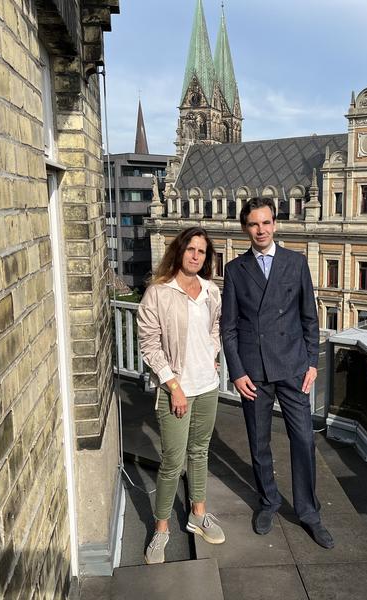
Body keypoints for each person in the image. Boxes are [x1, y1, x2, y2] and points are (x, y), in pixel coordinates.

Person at [221, 198, 334, 549]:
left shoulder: (296, 263)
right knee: (259, 443)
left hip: (293, 368)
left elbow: (308, 318)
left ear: (275, 224)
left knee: (302, 439)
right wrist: (237, 372)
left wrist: (312, 363)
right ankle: (269, 501)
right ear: (245, 228)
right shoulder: (236, 270)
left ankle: (309, 512)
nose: (261, 230)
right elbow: (228, 328)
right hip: (254, 372)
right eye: (254, 224)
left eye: (266, 222)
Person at [137, 227, 226, 564]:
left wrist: (212, 353)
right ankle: (161, 530)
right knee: (172, 462)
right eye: (190, 249)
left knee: (200, 451)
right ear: (179, 251)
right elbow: (149, 344)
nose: (195, 256)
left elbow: (215, 327)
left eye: (201, 252)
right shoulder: (159, 293)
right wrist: (173, 385)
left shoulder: (210, 291)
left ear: (206, 258)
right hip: (178, 389)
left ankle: (198, 514)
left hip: (208, 386)